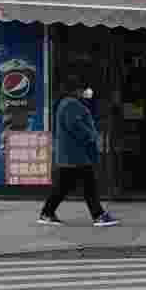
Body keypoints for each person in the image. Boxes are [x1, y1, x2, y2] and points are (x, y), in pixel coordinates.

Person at [40, 79, 114, 226]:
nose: (87, 92)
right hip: (76, 153)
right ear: (77, 90)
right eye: (84, 90)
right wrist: (91, 136)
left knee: (65, 186)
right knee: (88, 185)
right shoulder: (71, 104)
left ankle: (47, 213)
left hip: (71, 155)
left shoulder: (67, 103)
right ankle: (98, 215)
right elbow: (75, 125)